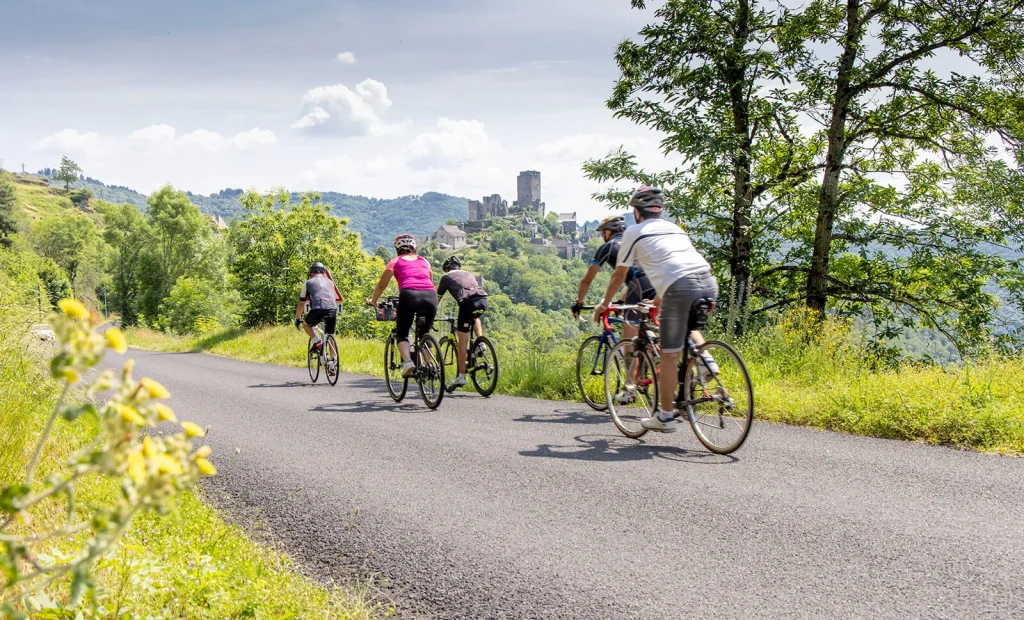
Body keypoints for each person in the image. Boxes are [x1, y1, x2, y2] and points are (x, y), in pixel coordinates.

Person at [593, 187, 718, 433]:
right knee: (687, 331)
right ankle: (707, 361)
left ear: (637, 212)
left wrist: (605, 303)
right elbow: (679, 266)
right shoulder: (675, 229)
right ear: (659, 211)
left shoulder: (634, 232)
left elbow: (620, 274)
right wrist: (658, 300)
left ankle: (665, 417)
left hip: (679, 287)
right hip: (708, 281)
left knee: (670, 355)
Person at [571, 214, 656, 342]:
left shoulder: (609, 247)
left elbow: (587, 280)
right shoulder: (636, 242)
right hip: (661, 284)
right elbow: (638, 274)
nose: (601, 236)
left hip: (639, 289)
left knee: (630, 342)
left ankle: (636, 359)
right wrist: (621, 301)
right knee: (648, 332)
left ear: (608, 231)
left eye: (602, 233)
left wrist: (579, 303)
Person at [366, 234, 438, 377]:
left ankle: (408, 363)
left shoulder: (395, 261)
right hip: (431, 296)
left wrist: (374, 301)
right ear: (414, 248)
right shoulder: (425, 261)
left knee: (402, 333)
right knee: (425, 333)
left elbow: (381, 286)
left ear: (397, 249)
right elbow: (430, 281)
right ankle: (429, 365)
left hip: (409, 295)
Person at [436, 255, 488, 389]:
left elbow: (437, 299)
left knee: (462, 343)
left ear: (447, 269)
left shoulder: (446, 277)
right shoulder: (469, 273)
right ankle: (480, 342)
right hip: (482, 300)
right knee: (475, 317)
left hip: (466, 304)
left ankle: (461, 376)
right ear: (458, 267)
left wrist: (430, 314)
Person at [294, 262, 339, 352]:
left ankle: (317, 341)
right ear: (324, 272)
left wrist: (297, 318)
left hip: (318, 309)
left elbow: (301, 304)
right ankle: (333, 360)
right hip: (332, 309)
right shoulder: (330, 282)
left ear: (311, 272)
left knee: (306, 325)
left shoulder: (308, 283)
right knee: (330, 334)